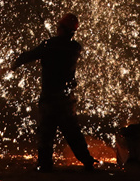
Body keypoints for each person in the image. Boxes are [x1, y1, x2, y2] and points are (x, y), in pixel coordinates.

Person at [10, 13, 97, 172]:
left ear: (62, 29)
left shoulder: (49, 45)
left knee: (46, 133)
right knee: (72, 132)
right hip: (66, 98)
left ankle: (44, 165)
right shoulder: (75, 47)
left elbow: (28, 55)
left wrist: (15, 64)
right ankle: (87, 161)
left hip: (50, 97)